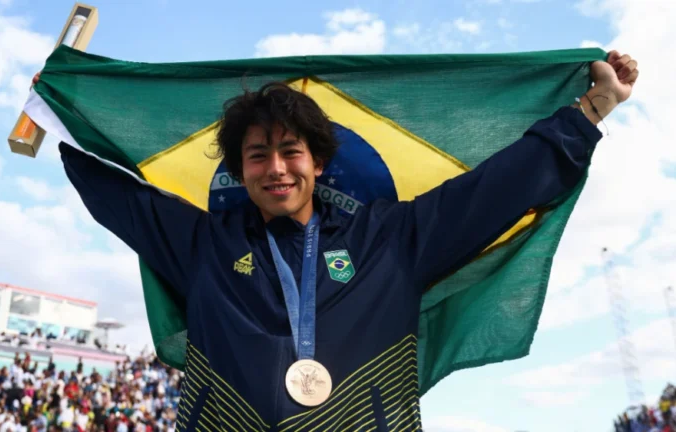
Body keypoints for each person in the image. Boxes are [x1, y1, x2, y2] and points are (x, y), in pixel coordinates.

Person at [47, 51, 639, 430]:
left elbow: (493, 191)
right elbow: (118, 195)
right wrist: (51, 112)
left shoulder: (392, 239)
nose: (276, 168)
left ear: (319, 163)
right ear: (239, 170)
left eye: (290, 152)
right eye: (258, 156)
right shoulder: (203, 244)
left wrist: (591, 109)